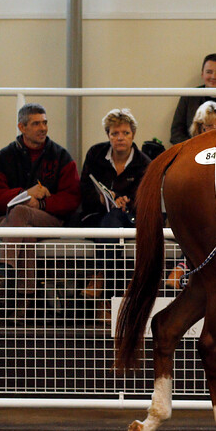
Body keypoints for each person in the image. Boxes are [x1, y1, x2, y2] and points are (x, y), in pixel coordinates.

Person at [0, 103, 81, 299]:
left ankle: (3, 271)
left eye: (45, 122)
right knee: (27, 235)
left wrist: (41, 204)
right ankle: (25, 304)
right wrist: (24, 194)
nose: (43, 128)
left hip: (48, 219)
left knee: (20, 213)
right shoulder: (4, 157)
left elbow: (73, 198)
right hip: (9, 219)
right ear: (22, 127)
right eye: (36, 123)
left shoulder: (61, 156)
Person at [79, 108, 151, 302]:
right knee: (110, 222)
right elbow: (84, 188)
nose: (120, 138)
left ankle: (100, 278)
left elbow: (145, 199)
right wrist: (102, 199)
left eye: (125, 133)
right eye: (115, 133)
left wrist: (126, 201)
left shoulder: (144, 163)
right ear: (108, 135)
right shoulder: (95, 153)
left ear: (133, 135)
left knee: (114, 219)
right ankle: (113, 296)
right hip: (96, 216)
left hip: (129, 220)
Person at [165, 102, 216, 289]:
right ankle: (185, 269)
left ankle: (186, 270)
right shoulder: (186, 154)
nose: (213, 130)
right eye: (208, 126)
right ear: (198, 128)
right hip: (193, 212)